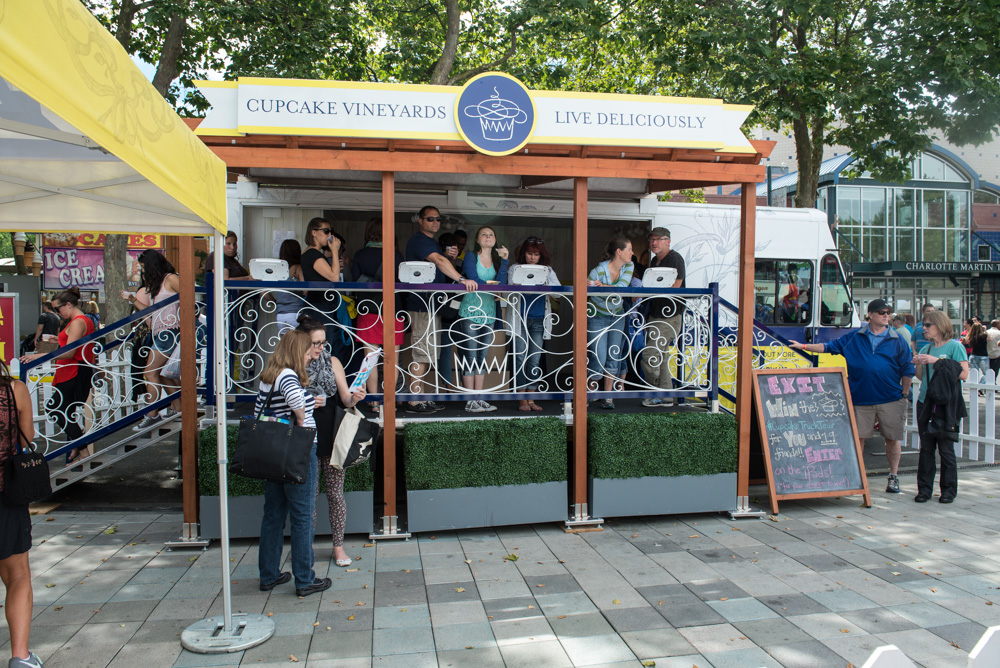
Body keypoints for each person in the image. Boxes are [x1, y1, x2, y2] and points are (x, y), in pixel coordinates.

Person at [789, 298, 914, 494]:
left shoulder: (897, 340)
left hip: (891, 398)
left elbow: (908, 368)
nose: (886, 316)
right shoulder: (855, 337)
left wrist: (904, 394)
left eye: (888, 313)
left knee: (892, 439)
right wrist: (803, 346)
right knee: (859, 439)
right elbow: (828, 347)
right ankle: (857, 476)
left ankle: (893, 476)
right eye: (882, 312)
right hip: (860, 398)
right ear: (870, 314)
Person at [256, 329, 331, 597]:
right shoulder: (288, 375)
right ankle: (305, 579)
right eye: (307, 350)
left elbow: (259, 411)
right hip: (298, 450)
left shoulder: (269, 376)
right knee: (302, 515)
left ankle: (269, 574)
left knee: (273, 515)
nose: (310, 354)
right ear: (296, 351)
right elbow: (298, 409)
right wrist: (308, 407)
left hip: (273, 451)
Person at [295, 316, 366, 567]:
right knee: (308, 496)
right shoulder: (294, 365)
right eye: (315, 343)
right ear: (302, 341)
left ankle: (338, 546)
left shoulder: (332, 361)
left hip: (332, 433)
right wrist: (304, 402)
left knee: (336, 494)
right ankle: (306, 547)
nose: (320, 348)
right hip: (304, 434)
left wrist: (355, 397)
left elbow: (345, 399)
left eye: (323, 342)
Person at [403, 206, 476, 414]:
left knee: (427, 354)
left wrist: (450, 259)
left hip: (432, 305)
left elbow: (441, 267)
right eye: (430, 219)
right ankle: (414, 401)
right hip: (422, 305)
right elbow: (438, 261)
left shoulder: (432, 243)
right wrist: (461, 279)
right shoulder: (419, 240)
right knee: (421, 353)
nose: (435, 222)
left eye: (438, 219)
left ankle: (420, 397)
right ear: (420, 220)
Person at [0, 359, 45, 668]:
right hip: (6, 496)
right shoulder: (13, 391)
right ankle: (20, 658)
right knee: (17, 576)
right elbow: (25, 438)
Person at [19, 288, 95, 465]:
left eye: (57, 309)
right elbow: (72, 346)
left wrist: (39, 356)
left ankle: (83, 449)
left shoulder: (78, 322)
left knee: (56, 410)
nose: (57, 313)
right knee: (62, 411)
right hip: (72, 370)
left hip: (73, 371)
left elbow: (70, 352)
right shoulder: (80, 321)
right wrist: (57, 340)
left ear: (68, 305)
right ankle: (79, 444)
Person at [913, 310, 969, 503]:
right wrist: (919, 363)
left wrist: (937, 361)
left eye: (928, 325)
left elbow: (963, 374)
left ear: (940, 325)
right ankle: (924, 490)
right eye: (924, 325)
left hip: (945, 405)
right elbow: (921, 377)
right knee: (926, 449)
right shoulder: (926, 348)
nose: (924, 328)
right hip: (926, 402)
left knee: (946, 449)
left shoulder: (955, 347)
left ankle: (948, 491)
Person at [127, 250, 182, 430]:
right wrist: (133, 299)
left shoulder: (170, 279)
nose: (143, 272)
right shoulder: (158, 284)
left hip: (170, 331)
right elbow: (150, 312)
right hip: (161, 332)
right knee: (162, 374)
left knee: (150, 372)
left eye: (144, 268)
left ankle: (152, 414)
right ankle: (178, 409)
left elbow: (190, 297)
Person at [352, 217, 404, 404]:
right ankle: (389, 402)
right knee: (392, 361)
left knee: (370, 360)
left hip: (368, 311)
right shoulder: (396, 255)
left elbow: (354, 283)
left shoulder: (360, 255)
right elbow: (403, 284)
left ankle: (373, 401)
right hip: (393, 310)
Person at [457, 226, 508, 413]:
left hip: (489, 312)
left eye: (491, 235)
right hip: (470, 311)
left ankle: (478, 398)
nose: (488, 237)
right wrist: (492, 287)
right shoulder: (471, 257)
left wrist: (505, 260)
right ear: (477, 240)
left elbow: (502, 283)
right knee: (470, 356)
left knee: (481, 357)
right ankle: (470, 400)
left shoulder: (497, 260)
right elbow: (473, 278)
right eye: (484, 235)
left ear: (495, 240)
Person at [507, 236, 561, 412]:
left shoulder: (547, 270)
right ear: (524, 253)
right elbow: (507, 292)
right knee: (520, 358)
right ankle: (522, 400)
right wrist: (517, 284)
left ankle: (531, 398)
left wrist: (545, 282)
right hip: (519, 319)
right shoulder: (515, 268)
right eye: (529, 253)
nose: (532, 257)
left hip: (539, 319)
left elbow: (558, 293)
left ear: (541, 255)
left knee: (534, 360)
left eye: (536, 254)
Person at [587, 237, 634, 410]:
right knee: (598, 357)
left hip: (617, 316)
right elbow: (584, 286)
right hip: (597, 316)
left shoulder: (629, 266)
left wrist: (603, 286)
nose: (632, 253)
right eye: (629, 249)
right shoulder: (598, 270)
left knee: (614, 356)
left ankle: (608, 397)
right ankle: (589, 393)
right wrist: (592, 285)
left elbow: (622, 286)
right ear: (619, 252)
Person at [640, 227, 685, 407]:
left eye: (659, 239)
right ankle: (666, 397)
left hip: (669, 315)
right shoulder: (654, 261)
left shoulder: (674, 258)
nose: (654, 242)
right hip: (656, 313)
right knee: (662, 357)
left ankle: (655, 392)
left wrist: (651, 291)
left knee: (650, 355)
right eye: (652, 239)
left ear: (668, 241)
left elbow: (676, 285)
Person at [300, 217, 351, 364]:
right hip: (320, 306)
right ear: (314, 232)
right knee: (322, 348)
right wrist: (334, 251)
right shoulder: (312, 254)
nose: (329, 235)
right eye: (326, 231)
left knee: (322, 348)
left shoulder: (313, 254)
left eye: (331, 231)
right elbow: (334, 277)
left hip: (320, 305)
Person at [435, 232, 461, 389]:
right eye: (449, 246)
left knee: (465, 350)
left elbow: (461, 280)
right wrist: (445, 259)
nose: (452, 249)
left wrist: (454, 261)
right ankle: (447, 386)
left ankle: (466, 385)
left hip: (461, 313)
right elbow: (441, 279)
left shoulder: (460, 265)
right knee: (444, 351)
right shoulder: (437, 263)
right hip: (442, 313)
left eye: (455, 247)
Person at [274, 239, 305, 331]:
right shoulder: (297, 268)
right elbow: (305, 290)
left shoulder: (276, 270)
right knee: (299, 340)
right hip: (295, 313)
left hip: (280, 316)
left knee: (285, 340)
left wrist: (276, 302)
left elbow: (263, 292)